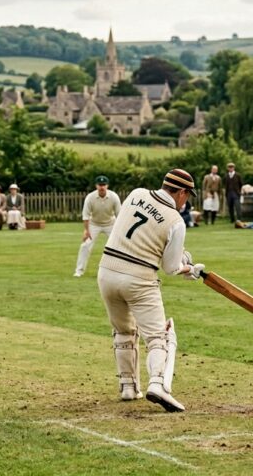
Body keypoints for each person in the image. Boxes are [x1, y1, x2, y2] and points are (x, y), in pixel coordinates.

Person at [97, 168, 203, 412]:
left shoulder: (136, 193)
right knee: (158, 337)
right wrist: (187, 268)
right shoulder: (176, 221)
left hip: (107, 271)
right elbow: (169, 267)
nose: (186, 201)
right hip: (139, 278)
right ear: (182, 192)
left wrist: (181, 261)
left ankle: (128, 387)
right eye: (187, 195)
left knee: (123, 330)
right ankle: (158, 384)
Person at [74, 175, 122, 277]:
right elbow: (86, 216)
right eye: (100, 185)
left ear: (107, 186)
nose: (102, 187)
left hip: (110, 224)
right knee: (85, 245)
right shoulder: (90, 197)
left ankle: (120, 271)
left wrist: (120, 231)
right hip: (94, 224)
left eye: (104, 185)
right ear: (96, 186)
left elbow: (120, 215)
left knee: (119, 246)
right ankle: (79, 271)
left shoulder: (114, 197)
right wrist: (86, 231)